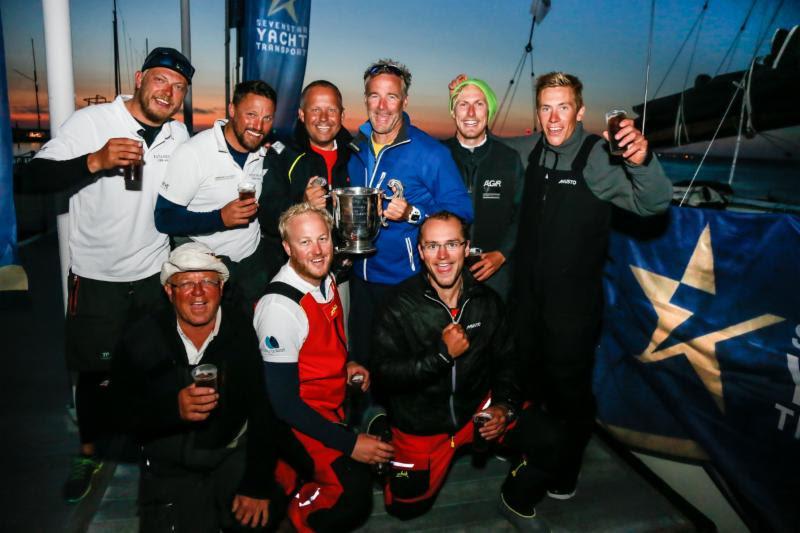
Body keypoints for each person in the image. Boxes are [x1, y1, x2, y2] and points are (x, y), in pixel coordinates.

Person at [23, 46, 194, 503]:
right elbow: (32, 178)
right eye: (161, 80)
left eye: (178, 87)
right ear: (139, 78)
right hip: (97, 276)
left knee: (155, 368)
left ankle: (151, 452)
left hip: (154, 273)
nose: (169, 91)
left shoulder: (177, 135)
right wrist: (93, 162)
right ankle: (89, 452)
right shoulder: (92, 123)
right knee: (95, 373)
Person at [514, 71, 673, 500]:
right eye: (545, 107)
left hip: (572, 309)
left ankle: (565, 472)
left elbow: (652, 203)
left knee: (570, 397)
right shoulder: (532, 151)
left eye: (563, 107)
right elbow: (487, 148)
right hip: (527, 304)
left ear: (579, 111)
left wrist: (642, 162)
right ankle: (529, 452)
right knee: (528, 383)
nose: (553, 117)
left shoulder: (598, 156)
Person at [371, 212, 564, 531]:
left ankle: (515, 499)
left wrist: (505, 406)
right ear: (420, 252)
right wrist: (441, 355)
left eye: (452, 244)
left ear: (467, 248)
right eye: (433, 245)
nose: (443, 256)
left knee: (552, 437)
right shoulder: (397, 305)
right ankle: (383, 430)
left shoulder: (486, 301)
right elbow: (384, 374)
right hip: (422, 425)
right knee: (404, 510)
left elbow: (508, 361)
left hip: (476, 408)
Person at [112, 242, 285, 532]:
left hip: (230, 453)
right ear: (169, 291)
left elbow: (263, 409)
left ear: (221, 288)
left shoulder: (240, 330)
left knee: (257, 519)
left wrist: (257, 484)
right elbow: (117, 412)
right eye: (186, 283)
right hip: (171, 466)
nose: (198, 292)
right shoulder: (142, 336)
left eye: (207, 281)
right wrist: (171, 409)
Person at [253, 204, 393, 532]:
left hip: (330, 405)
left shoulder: (324, 277)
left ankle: (291, 483)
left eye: (323, 239)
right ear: (287, 247)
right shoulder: (280, 308)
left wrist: (347, 364)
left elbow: (320, 346)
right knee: (353, 494)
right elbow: (283, 405)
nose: (317, 251)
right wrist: (350, 444)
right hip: (297, 419)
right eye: (304, 243)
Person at [347, 58, 474, 382]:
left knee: (402, 370)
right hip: (360, 278)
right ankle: (367, 424)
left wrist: (412, 214)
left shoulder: (430, 152)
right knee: (363, 364)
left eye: (392, 96)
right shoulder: (355, 147)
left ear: (404, 101)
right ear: (366, 99)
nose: (383, 105)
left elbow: (462, 211)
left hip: (405, 282)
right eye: (375, 95)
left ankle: (401, 429)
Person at [155, 80, 282, 311]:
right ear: (232, 110)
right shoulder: (193, 153)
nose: (259, 126)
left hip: (252, 263)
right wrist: (219, 218)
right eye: (251, 114)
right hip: (208, 268)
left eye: (267, 118)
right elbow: (164, 217)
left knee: (252, 337)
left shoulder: (264, 152)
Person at [443, 75, 524, 301]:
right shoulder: (437, 156)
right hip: (444, 269)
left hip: (494, 272)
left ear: (489, 112)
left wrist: (502, 254)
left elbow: (522, 213)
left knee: (492, 334)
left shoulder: (508, 159)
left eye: (479, 104)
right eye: (463, 104)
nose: (470, 113)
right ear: (453, 112)